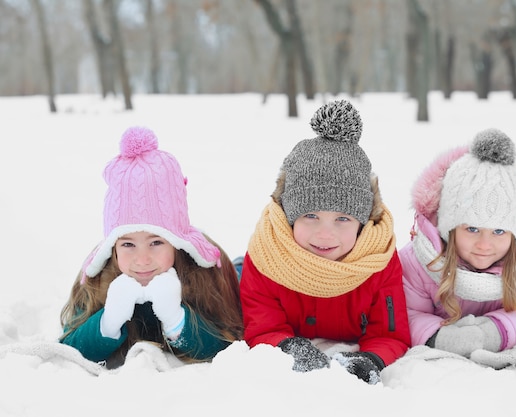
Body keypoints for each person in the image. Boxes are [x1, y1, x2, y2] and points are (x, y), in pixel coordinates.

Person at [239, 100, 411, 385]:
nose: (325, 234)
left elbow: (389, 334)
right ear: (289, 216)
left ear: (363, 222)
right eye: (310, 216)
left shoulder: (379, 261)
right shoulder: (266, 257)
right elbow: (262, 327)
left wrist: (370, 359)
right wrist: (288, 347)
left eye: (342, 219)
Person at [59, 126, 243, 369]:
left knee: (243, 272)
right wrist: (107, 322)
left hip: (235, 271)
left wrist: (178, 321)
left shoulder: (204, 270)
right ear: (113, 246)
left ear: (176, 243)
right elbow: (68, 348)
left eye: (156, 242)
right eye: (128, 244)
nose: (142, 259)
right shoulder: (98, 276)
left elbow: (229, 341)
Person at [399, 128, 516, 360]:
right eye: (472, 229)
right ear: (450, 228)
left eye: (498, 231)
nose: (485, 245)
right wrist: (442, 337)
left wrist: (494, 332)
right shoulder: (419, 262)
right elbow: (404, 313)